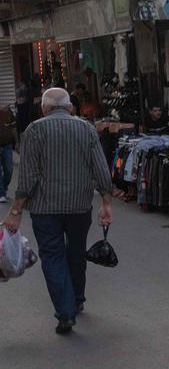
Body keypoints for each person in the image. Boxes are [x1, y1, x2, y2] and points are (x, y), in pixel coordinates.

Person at [2, 88, 113, 335]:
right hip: (79, 206)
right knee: (76, 253)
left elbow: (28, 177)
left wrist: (16, 211)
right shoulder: (86, 129)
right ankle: (77, 298)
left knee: (52, 257)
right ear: (70, 107)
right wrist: (106, 202)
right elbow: (101, 168)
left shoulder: (34, 130)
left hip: (45, 209)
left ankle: (65, 313)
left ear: (44, 108)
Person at [0, 107, 17, 203]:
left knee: (9, 169)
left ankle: (4, 187)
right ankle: (1, 193)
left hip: (7, 145)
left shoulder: (7, 113)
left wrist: (17, 142)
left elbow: (13, 128)